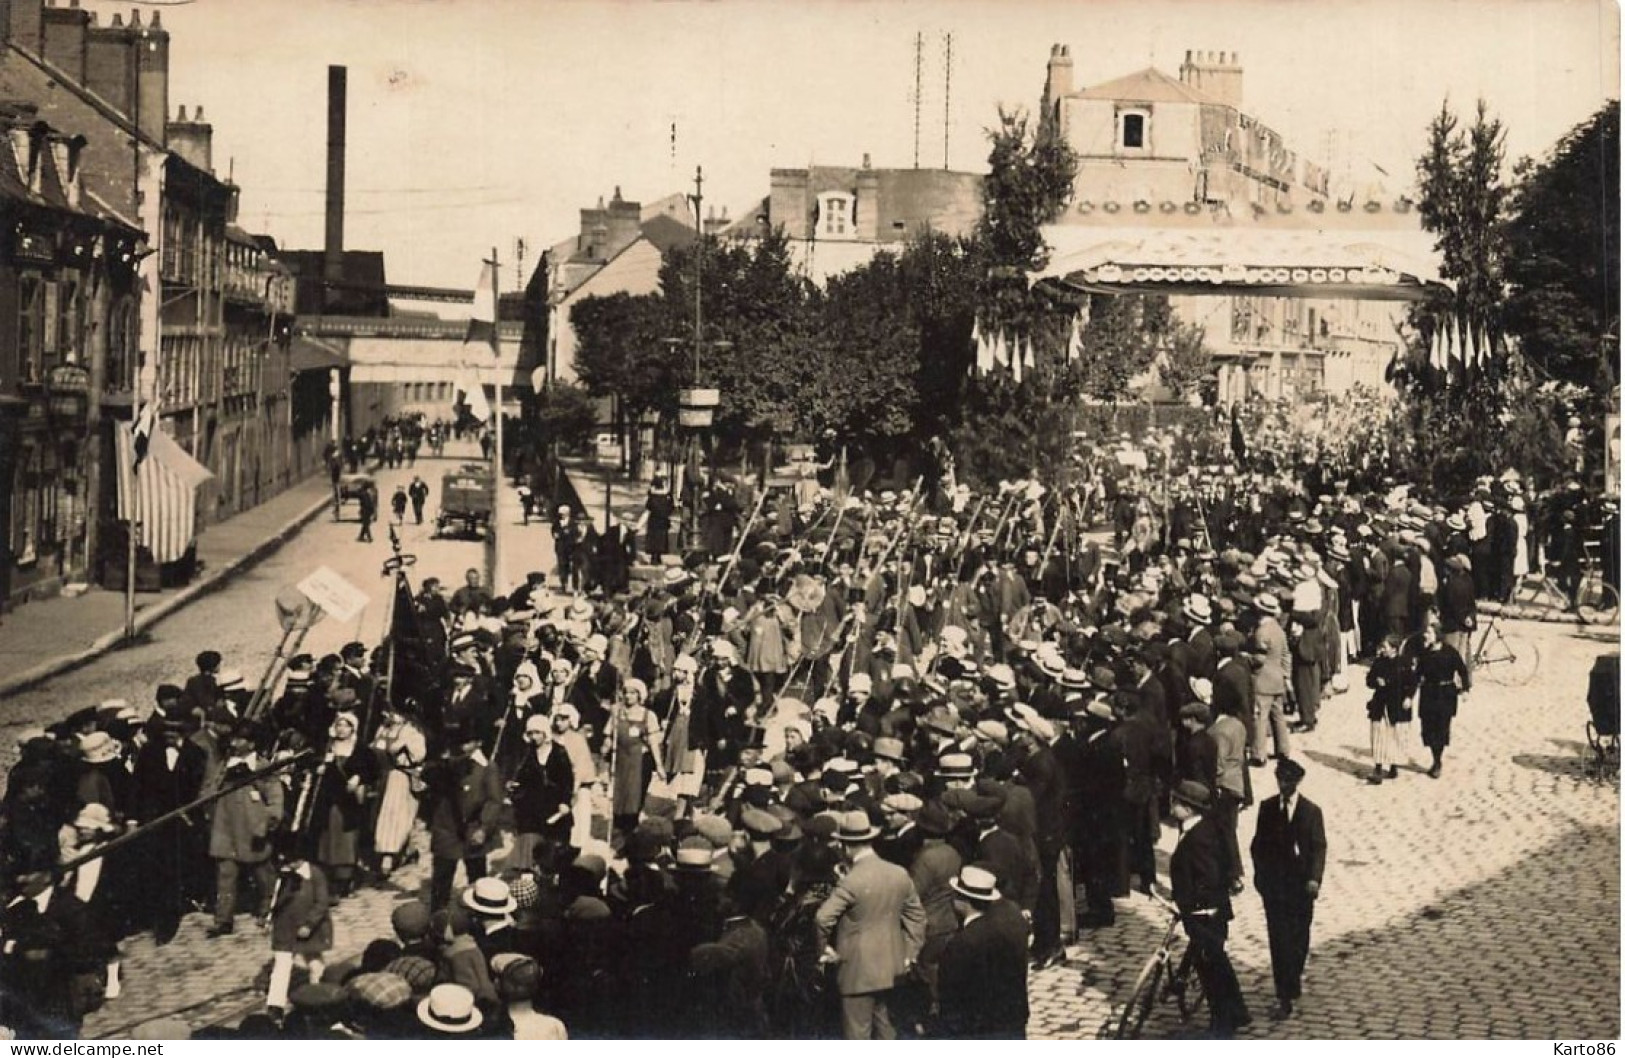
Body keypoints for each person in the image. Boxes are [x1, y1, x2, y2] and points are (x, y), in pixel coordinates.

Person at [814, 810, 928, 1040]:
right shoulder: (898, 873)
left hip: (856, 969)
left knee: (857, 1034)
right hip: (893, 966)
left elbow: (822, 918)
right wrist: (910, 952)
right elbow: (917, 917)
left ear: (845, 846)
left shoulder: (851, 881)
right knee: (886, 1028)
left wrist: (824, 949)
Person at [1168, 780, 1250, 1038]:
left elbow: (1208, 877)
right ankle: (1235, 1013)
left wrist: (1192, 906)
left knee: (1212, 968)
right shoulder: (1200, 827)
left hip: (1204, 912)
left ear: (1190, 809)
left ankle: (1223, 1025)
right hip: (1206, 911)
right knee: (1215, 963)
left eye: (1177, 802)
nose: (1173, 805)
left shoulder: (1200, 837)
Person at [1249, 758, 1327, 1020]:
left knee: (1298, 938)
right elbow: (1257, 845)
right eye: (1280, 780)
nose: (1283, 785)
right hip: (1274, 887)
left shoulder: (1311, 812)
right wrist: (1260, 876)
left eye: (1288, 782)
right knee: (1278, 940)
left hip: (1302, 887)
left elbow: (1318, 848)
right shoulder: (1267, 808)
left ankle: (1293, 974)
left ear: (1297, 783)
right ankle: (1285, 993)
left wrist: (1315, 879)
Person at [931, 865, 1030, 1039]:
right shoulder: (1011, 922)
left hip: (978, 1030)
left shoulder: (962, 942)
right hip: (1012, 1019)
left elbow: (951, 998)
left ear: (961, 901)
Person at [207, 733, 284, 937]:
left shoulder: (263, 767)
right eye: (233, 739)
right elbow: (209, 790)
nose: (234, 742)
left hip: (252, 828)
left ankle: (269, 909)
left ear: (251, 743)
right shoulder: (224, 765)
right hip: (226, 829)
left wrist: (270, 820)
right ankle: (223, 920)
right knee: (226, 876)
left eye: (240, 739)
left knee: (263, 874)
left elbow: (275, 796)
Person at [1415, 621, 1471, 778]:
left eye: (1429, 633)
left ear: (1438, 636)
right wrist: (1407, 695)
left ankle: (1437, 761)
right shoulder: (1424, 653)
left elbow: (1463, 670)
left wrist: (1465, 689)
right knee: (1428, 730)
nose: (1426, 635)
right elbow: (1417, 676)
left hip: (1445, 695)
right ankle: (1435, 757)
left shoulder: (1450, 652)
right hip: (1428, 694)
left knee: (1441, 729)